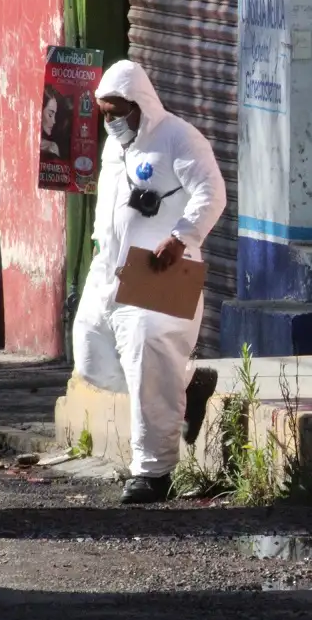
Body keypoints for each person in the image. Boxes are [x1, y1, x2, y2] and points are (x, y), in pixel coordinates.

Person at [72, 60, 227, 504]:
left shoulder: (179, 138)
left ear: (139, 104)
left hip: (160, 274)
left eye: (117, 111)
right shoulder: (114, 147)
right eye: (104, 113)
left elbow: (212, 192)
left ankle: (153, 473)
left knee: (146, 363)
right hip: (110, 272)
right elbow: (111, 206)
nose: (110, 121)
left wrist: (181, 237)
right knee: (90, 355)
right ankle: (186, 385)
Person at [41, 86, 71, 160]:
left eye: (55, 115)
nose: (54, 121)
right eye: (50, 114)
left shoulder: (51, 147)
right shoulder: (51, 147)